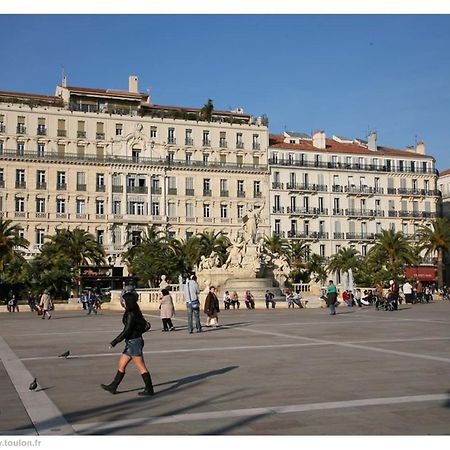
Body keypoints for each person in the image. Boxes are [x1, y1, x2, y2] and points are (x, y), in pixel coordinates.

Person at [101, 286, 154, 396]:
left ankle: (149, 389)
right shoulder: (133, 312)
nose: (122, 302)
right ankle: (113, 386)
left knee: (141, 367)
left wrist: (115, 341)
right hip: (131, 342)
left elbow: (127, 330)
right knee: (121, 365)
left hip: (134, 342)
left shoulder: (131, 314)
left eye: (124, 300)